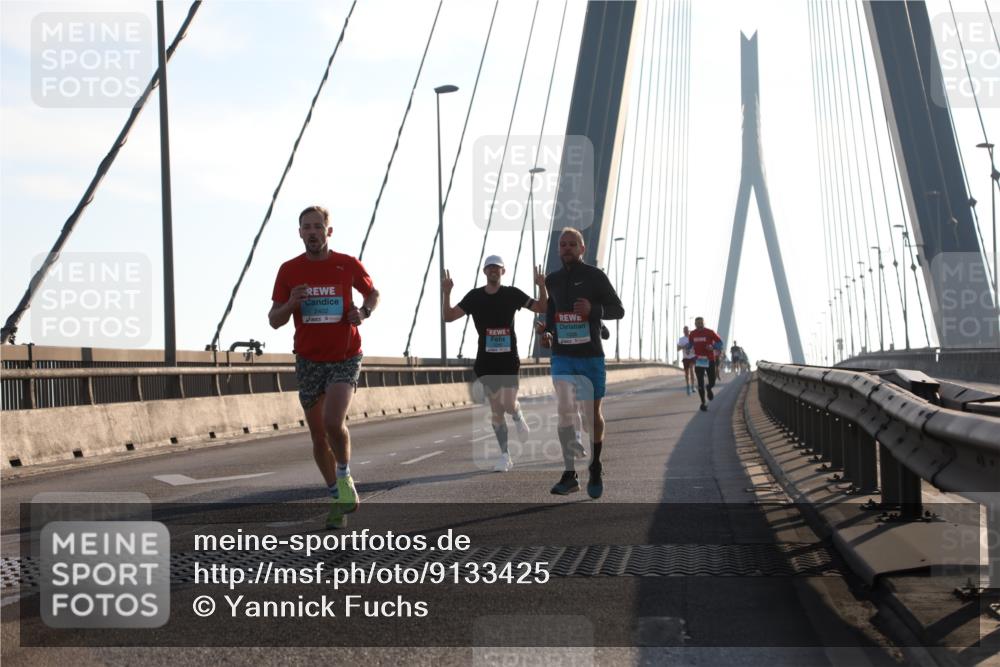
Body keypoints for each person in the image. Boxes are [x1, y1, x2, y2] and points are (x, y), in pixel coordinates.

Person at [269, 205, 380, 529]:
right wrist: (292, 304)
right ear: (300, 233)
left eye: (319, 226)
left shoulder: (346, 265)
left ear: (328, 232)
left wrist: (363, 312)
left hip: (345, 356)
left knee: (334, 421)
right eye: (307, 227)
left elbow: (373, 293)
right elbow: (275, 320)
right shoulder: (289, 270)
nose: (313, 232)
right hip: (308, 359)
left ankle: (344, 476)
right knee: (318, 437)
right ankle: (336, 497)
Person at [539, 228, 624, 498]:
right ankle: (569, 474)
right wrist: (548, 332)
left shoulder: (595, 277)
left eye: (572, 244)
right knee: (565, 407)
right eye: (563, 244)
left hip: (591, 357)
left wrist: (594, 311)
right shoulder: (551, 280)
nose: (567, 248)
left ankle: (595, 467)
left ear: (582, 248)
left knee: (592, 417)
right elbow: (552, 312)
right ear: (558, 249)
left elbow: (618, 309)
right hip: (563, 356)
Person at [442, 255, 548, 472]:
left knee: (508, 404)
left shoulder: (512, 294)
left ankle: (517, 415)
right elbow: (449, 316)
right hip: (486, 362)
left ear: (503, 271)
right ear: (484, 271)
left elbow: (541, 307)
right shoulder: (474, 297)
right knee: (496, 410)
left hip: (508, 359)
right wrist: (446, 293)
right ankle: (505, 455)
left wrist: (542, 286)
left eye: (497, 268)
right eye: (489, 267)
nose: (493, 271)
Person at [688, 316, 723, 412]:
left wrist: (713, 346)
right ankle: (703, 403)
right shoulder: (692, 334)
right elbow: (690, 343)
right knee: (700, 382)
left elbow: (720, 342)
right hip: (699, 360)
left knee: (712, 381)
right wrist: (688, 348)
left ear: (704, 323)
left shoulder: (710, 332)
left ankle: (709, 387)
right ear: (695, 324)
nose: (699, 324)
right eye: (697, 323)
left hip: (710, 359)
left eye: (701, 323)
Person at [677, 325, 696, 395]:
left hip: (692, 357)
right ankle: (688, 386)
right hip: (685, 358)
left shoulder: (692, 338)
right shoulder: (681, 339)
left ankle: (693, 386)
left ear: (689, 331)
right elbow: (678, 349)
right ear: (683, 331)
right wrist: (684, 346)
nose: (685, 332)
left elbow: (696, 346)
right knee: (686, 373)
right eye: (684, 331)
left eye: (687, 330)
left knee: (691, 369)